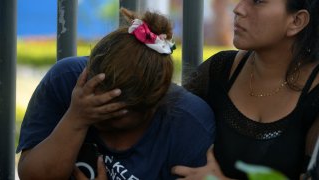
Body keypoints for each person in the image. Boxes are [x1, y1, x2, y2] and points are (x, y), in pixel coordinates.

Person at [16, 8, 216, 180]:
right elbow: (31, 175)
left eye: (113, 112)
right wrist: (76, 117)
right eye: (95, 99)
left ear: (154, 104)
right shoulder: (66, 80)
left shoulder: (189, 124)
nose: (97, 109)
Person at [172, 0, 319, 179]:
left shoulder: (314, 94)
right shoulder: (219, 70)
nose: (238, 9)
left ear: (297, 21)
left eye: (257, 2)